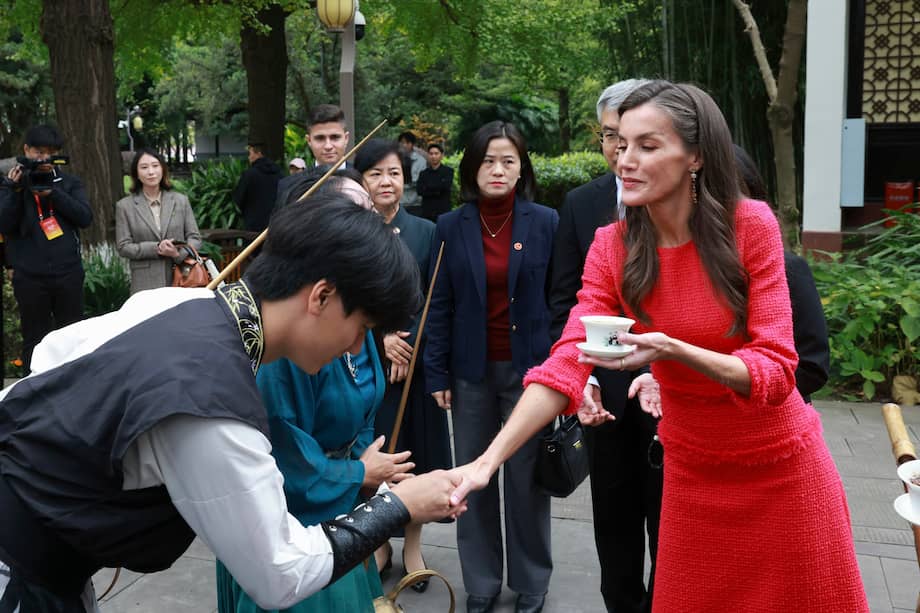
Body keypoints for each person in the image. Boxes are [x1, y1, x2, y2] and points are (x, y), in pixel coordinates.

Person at [450, 80, 869, 612]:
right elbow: (567, 359)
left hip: (781, 471)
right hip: (691, 473)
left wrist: (673, 352)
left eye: (649, 146)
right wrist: (488, 462)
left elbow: (777, 370)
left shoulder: (749, 226)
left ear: (695, 156)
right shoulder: (614, 245)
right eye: (621, 144)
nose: (626, 159)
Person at [0, 194, 466, 613]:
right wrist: (398, 505)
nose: (353, 348)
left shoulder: (175, 304)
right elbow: (280, 575)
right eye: (362, 327)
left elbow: (48, 359)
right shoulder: (213, 403)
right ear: (321, 297)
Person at [216, 180, 409, 613]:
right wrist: (360, 474)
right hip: (294, 533)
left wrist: (366, 467)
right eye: (351, 219)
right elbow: (283, 459)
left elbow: (364, 410)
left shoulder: (354, 315)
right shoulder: (286, 345)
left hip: (340, 515)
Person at [425, 121, 557, 613]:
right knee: (471, 480)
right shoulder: (450, 226)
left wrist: (564, 372)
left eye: (507, 160)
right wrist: (436, 374)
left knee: (525, 480)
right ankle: (481, 583)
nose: (497, 170)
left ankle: (531, 582)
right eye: (487, 161)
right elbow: (438, 304)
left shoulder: (546, 221)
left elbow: (559, 302)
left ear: (522, 168)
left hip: (531, 374)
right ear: (471, 168)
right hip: (470, 371)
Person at [549, 79, 661, 613]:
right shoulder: (582, 203)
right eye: (614, 137)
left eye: (640, 139)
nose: (624, 152)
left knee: (670, 525)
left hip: (672, 393)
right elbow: (566, 298)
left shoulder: (687, 205)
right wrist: (586, 375)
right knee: (614, 527)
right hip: (604, 396)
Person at [354, 139, 452, 591]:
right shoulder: (353, 231)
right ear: (362, 181)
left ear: (404, 178)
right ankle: (377, 541)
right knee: (377, 453)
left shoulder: (427, 232)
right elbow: (348, 296)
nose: (386, 181)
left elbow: (435, 298)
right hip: (366, 362)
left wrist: (406, 343)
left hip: (415, 365)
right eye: (375, 174)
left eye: (393, 172)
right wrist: (382, 338)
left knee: (415, 453)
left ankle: (412, 544)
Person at [732, 144, 830, 402]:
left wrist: (729, 395)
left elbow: (812, 366)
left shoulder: (789, 269)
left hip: (772, 422)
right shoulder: (676, 269)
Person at [0, 124, 93, 372]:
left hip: (68, 272)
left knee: (73, 334)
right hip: (30, 276)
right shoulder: (12, 183)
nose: (44, 158)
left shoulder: (68, 182)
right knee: (34, 338)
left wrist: (54, 194)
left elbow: (85, 217)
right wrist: (14, 189)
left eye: (50, 153)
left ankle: (76, 389)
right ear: (26, 150)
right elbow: (4, 223)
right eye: (38, 152)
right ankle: (33, 394)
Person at [115, 148, 203, 294]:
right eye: (144, 167)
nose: (151, 172)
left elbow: (195, 238)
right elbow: (123, 246)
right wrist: (157, 248)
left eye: (155, 166)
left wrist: (177, 254)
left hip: (181, 278)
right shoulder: (125, 206)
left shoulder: (180, 201)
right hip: (144, 282)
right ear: (136, 172)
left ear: (163, 169)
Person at [232, 142, 281, 232]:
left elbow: (239, 198)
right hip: (276, 223)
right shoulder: (279, 173)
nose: (249, 157)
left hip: (253, 224)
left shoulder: (249, 174)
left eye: (250, 153)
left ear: (258, 153)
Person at [416, 142, 454, 222]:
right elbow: (419, 191)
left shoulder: (448, 171)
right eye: (431, 154)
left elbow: (446, 187)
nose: (433, 156)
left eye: (436, 153)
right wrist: (437, 189)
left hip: (443, 212)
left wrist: (427, 188)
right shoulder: (423, 173)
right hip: (427, 212)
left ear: (442, 155)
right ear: (428, 155)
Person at [397, 131, 428, 211]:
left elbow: (421, 181)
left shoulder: (420, 160)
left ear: (412, 144)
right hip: (399, 202)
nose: (404, 145)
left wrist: (410, 183)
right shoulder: (395, 159)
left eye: (408, 143)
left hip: (415, 202)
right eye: (402, 143)